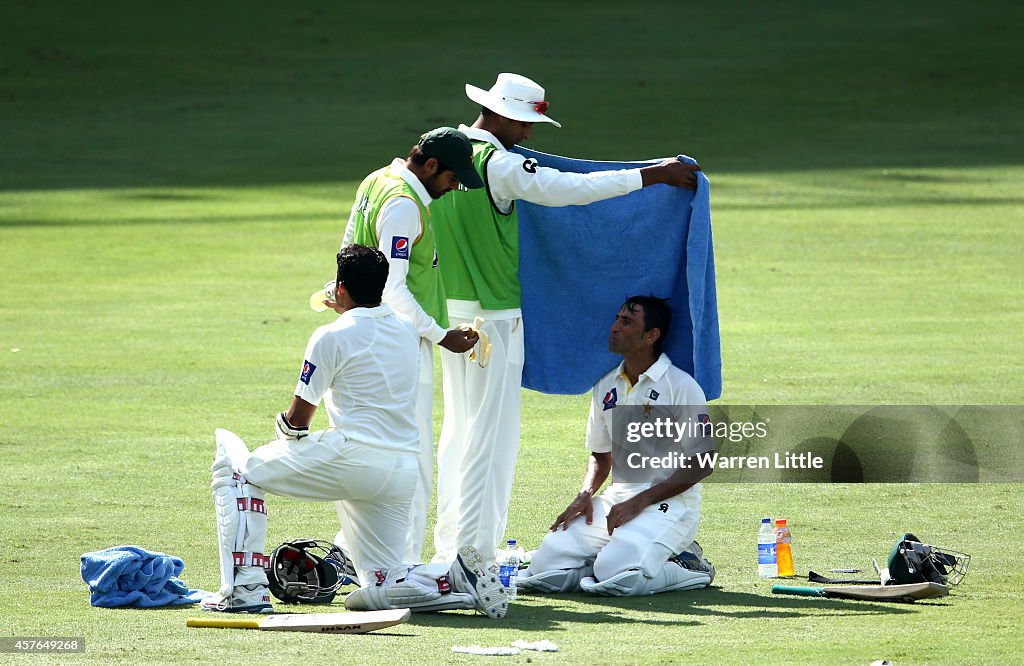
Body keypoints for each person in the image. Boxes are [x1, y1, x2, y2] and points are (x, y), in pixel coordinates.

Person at [430, 73, 705, 565]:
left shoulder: (445, 158)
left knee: (457, 433)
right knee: (489, 441)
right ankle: (473, 555)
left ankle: (449, 548)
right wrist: (652, 176)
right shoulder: (497, 163)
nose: (529, 135)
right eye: (524, 124)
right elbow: (571, 189)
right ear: (502, 116)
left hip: (451, 317)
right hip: (493, 320)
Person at [201, 245, 507, 619]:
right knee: (379, 586)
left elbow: (298, 420)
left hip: (350, 458)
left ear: (341, 288)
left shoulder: (329, 336)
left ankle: (244, 589)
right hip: (400, 472)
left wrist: (287, 432)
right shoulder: (406, 330)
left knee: (238, 471)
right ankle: (450, 580)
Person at [339, 127, 483, 563]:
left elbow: (347, 249)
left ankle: (356, 553)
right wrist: (442, 335)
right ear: (431, 165)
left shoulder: (376, 180)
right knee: (412, 458)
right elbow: (393, 288)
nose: (456, 186)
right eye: (453, 177)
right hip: (400, 342)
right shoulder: (404, 205)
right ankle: (402, 565)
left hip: (363, 335)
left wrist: (343, 297)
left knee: (369, 446)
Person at [517, 296, 716, 596]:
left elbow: (703, 462)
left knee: (618, 575)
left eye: (626, 321)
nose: (614, 327)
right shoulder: (606, 386)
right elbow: (600, 455)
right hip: (617, 501)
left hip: (672, 507)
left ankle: (689, 565)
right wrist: (585, 494)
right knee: (545, 567)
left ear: (651, 335)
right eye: (617, 318)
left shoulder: (680, 385)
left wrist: (641, 501)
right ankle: (601, 565)